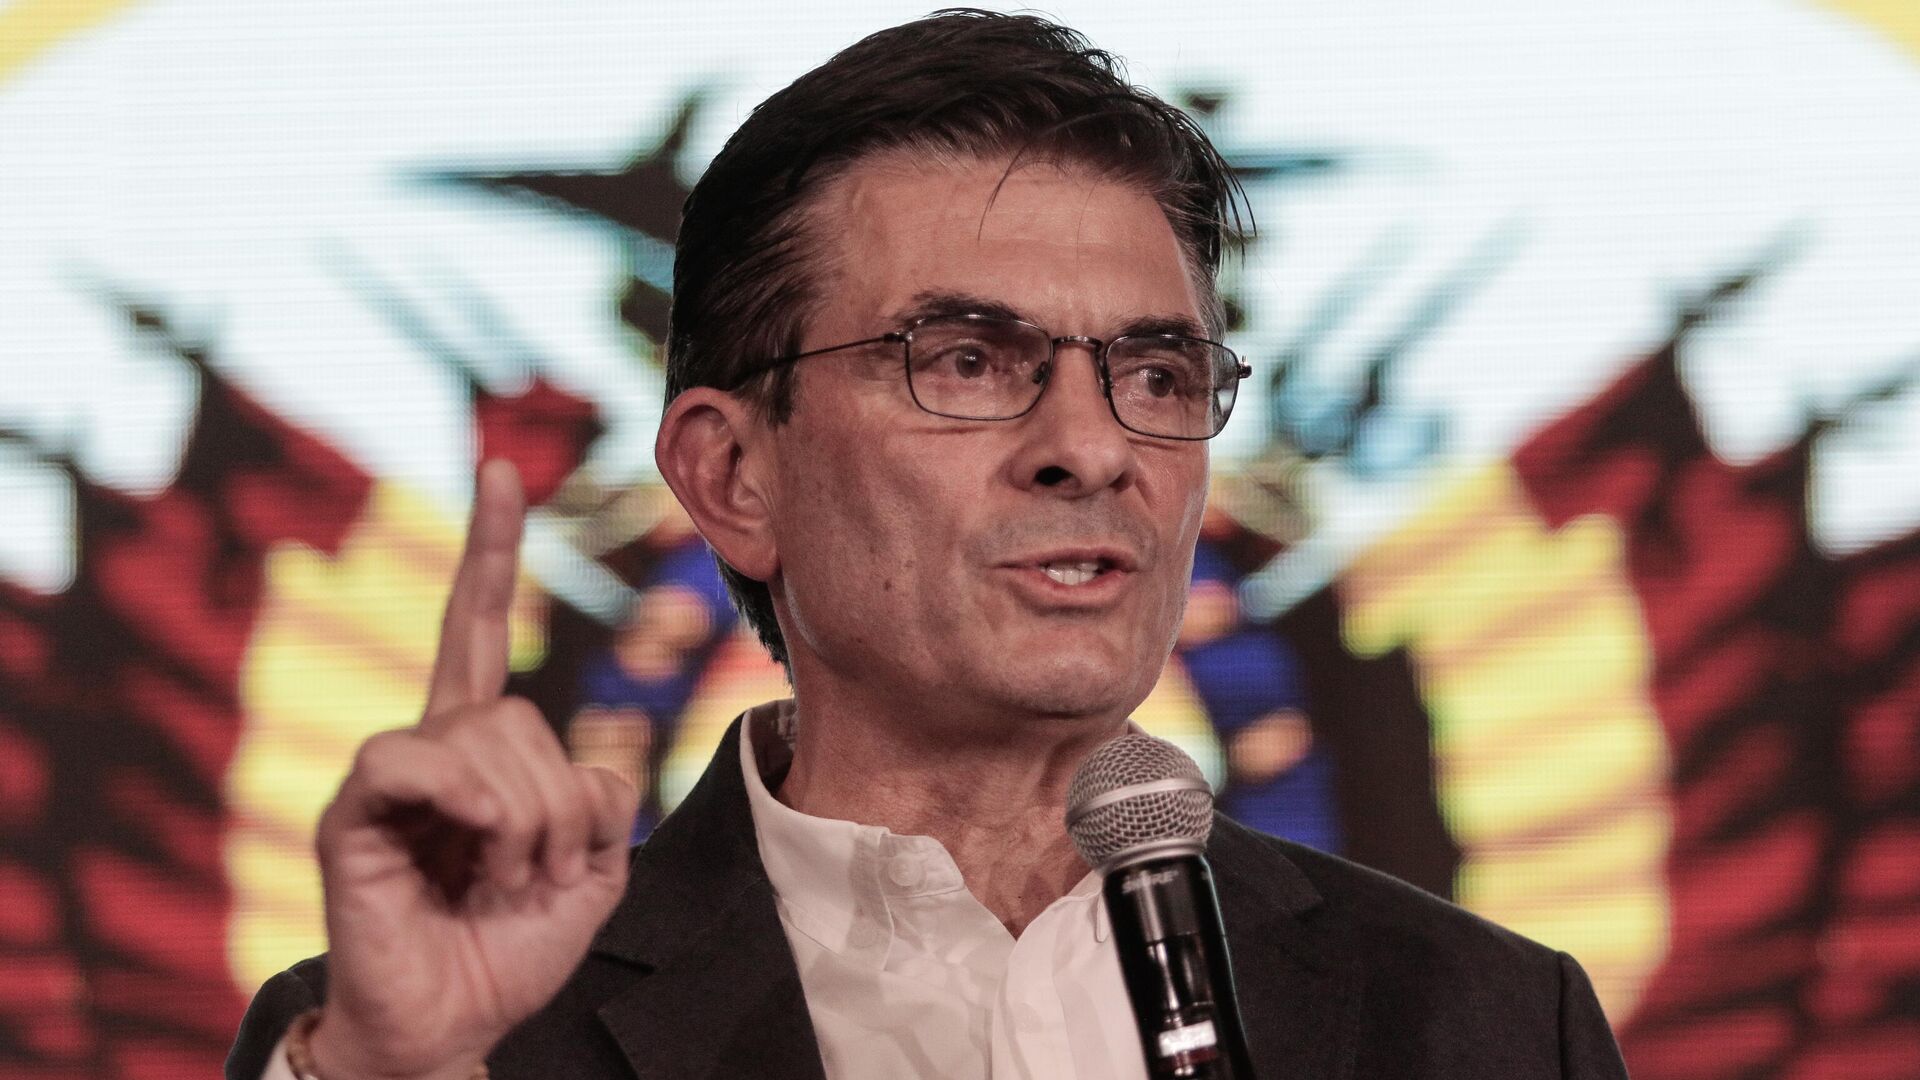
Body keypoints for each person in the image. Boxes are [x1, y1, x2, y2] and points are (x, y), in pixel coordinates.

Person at [228, 11, 1630, 1079]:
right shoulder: (453, 1028)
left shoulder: (1495, 1024)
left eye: (1155, 375)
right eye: (965, 360)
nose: (1091, 446)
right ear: (733, 475)